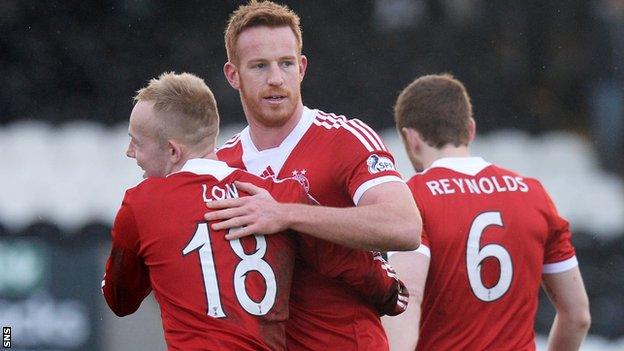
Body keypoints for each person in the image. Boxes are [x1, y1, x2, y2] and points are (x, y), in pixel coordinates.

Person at [101, 72, 408, 350]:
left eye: (136, 142)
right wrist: (392, 292)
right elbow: (352, 264)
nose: (130, 152)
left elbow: (120, 299)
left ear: (172, 150)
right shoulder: (278, 195)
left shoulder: (142, 203)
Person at [202, 1, 421, 350]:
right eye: (259, 66)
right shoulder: (220, 165)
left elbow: (405, 227)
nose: (276, 78)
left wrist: (286, 213)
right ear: (233, 75)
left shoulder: (345, 138)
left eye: (285, 63)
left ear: (301, 68)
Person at [382, 73, 591, 350]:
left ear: (410, 139)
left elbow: (408, 297)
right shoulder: (534, 194)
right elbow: (578, 316)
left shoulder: (414, 198)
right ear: (470, 129)